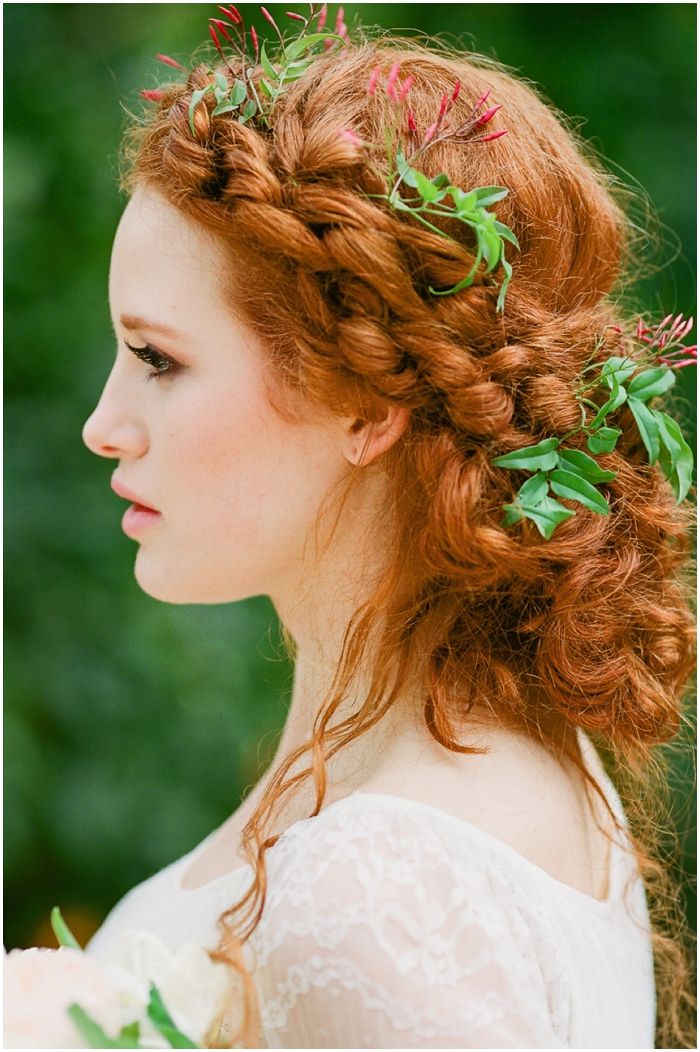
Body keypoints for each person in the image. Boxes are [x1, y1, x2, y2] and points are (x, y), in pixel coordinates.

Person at [81, 8, 696, 1049]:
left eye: (157, 359)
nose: (103, 426)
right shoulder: (473, 765)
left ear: (367, 403)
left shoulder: (377, 897)